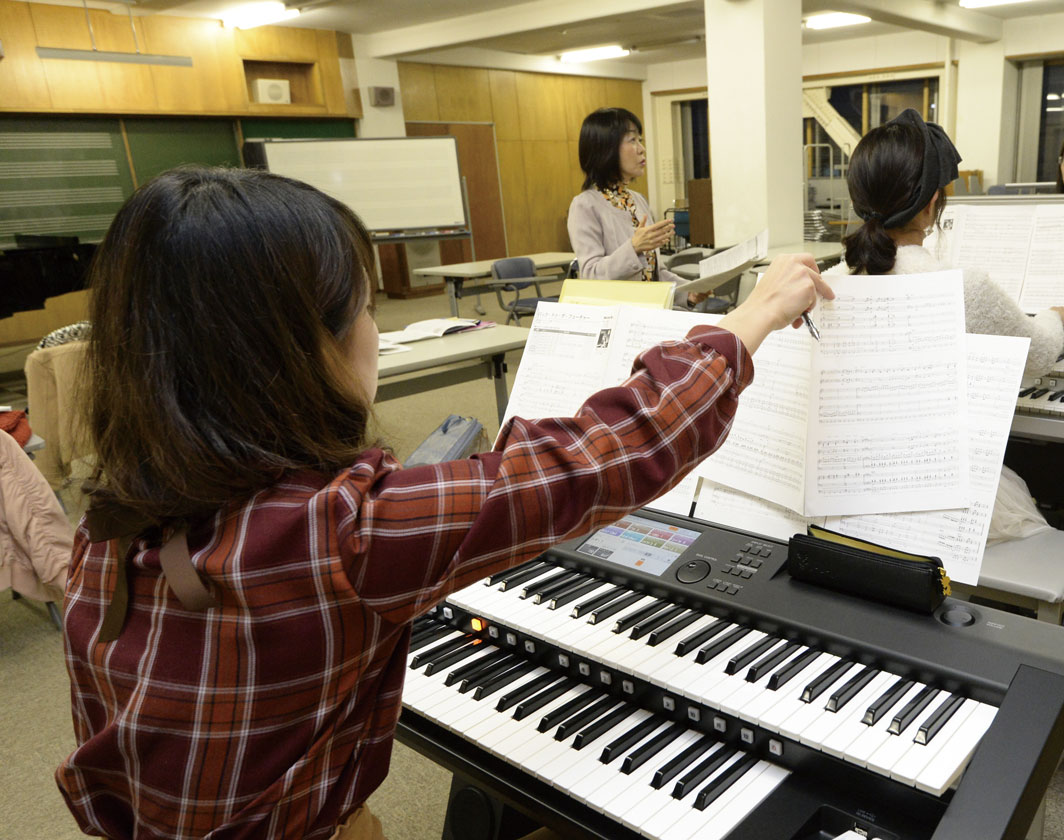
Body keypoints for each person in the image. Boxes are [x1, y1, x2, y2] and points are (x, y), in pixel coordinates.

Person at [56, 166, 831, 840]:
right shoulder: (340, 533)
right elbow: (607, 455)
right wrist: (750, 317)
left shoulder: (106, 526)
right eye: (363, 308)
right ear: (298, 355)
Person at [839, 109, 1064, 544]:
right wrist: (1053, 316)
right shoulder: (962, 287)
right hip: (938, 491)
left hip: (851, 484)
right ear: (932, 205)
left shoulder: (834, 280)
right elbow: (1039, 355)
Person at [567, 107, 679, 284]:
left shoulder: (638, 200)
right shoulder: (584, 205)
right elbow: (591, 275)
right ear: (606, 148)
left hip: (651, 307)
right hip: (618, 310)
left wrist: (689, 291)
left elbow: (655, 272)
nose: (642, 149)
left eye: (640, 140)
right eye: (633, 140)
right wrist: (633, 248)